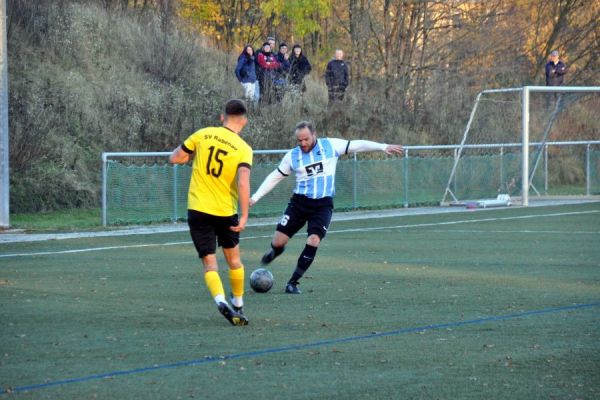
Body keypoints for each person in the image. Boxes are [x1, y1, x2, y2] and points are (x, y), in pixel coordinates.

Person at [249, 121, 403, 294]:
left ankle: (292, 282)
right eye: (299, 140)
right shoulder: (292, 156)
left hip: (322, 205)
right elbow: (275, 177)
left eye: (306, 139)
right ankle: (276, 251)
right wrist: (255, 197)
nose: (303, 144)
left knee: (313, 240)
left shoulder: (330, 145)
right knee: (278, 241)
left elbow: (358, 145)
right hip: (299, 203)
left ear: (314, 134)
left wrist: (382, 147)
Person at [169, 99, 253, 326]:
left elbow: (175, 157)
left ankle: (219, 300)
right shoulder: (244, 149)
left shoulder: (203, 134)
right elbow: (243, 182)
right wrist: (244, 215)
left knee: (209, 262)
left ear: (221, 117)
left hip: (198, 209)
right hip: (225, 211)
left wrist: (188, 156)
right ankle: (238, 303)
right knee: (234, 261)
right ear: (244, 121)